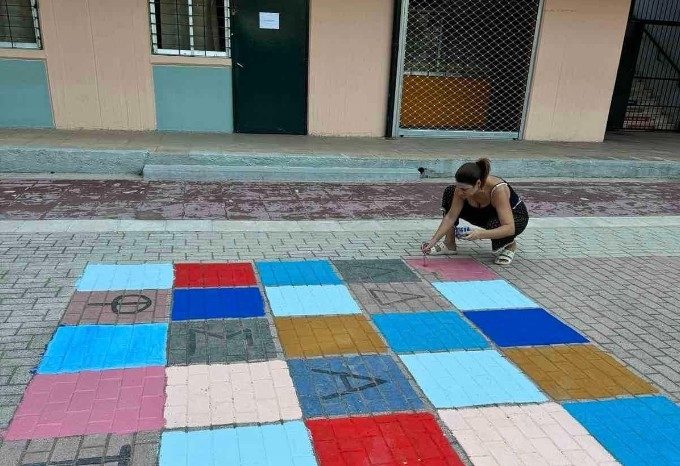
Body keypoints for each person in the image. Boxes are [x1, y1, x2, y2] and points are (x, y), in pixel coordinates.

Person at [421, 158, 528, 265]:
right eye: (459, 187)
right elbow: (450, 217)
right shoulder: (460, 189)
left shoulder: (498, 190)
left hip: (515, 218)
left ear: (478, 183)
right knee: (450, 191)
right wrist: (433, 240)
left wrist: (480, 234)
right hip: (485, 214)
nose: (460, 192)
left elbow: (509, 228)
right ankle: (449, 244)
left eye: (464, 189)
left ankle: (510, 245)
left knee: (495, 224)